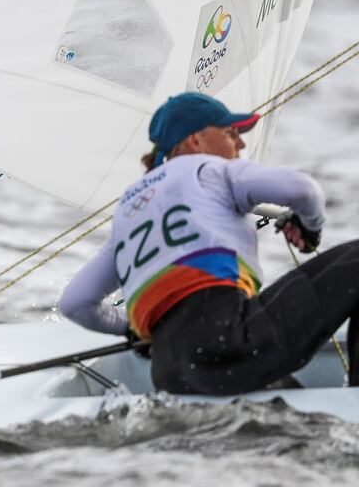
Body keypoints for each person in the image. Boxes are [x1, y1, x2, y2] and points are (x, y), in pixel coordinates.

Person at [58, 91, 359, 395]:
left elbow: (75, 302)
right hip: (228, 344)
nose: (240, 143)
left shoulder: (128, 208)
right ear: (195, 142)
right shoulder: (208, 169)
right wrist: (310, 228)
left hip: (169, 374)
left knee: (275, 387)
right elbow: (304, 191)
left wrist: (134, 330)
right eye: (230, 133)